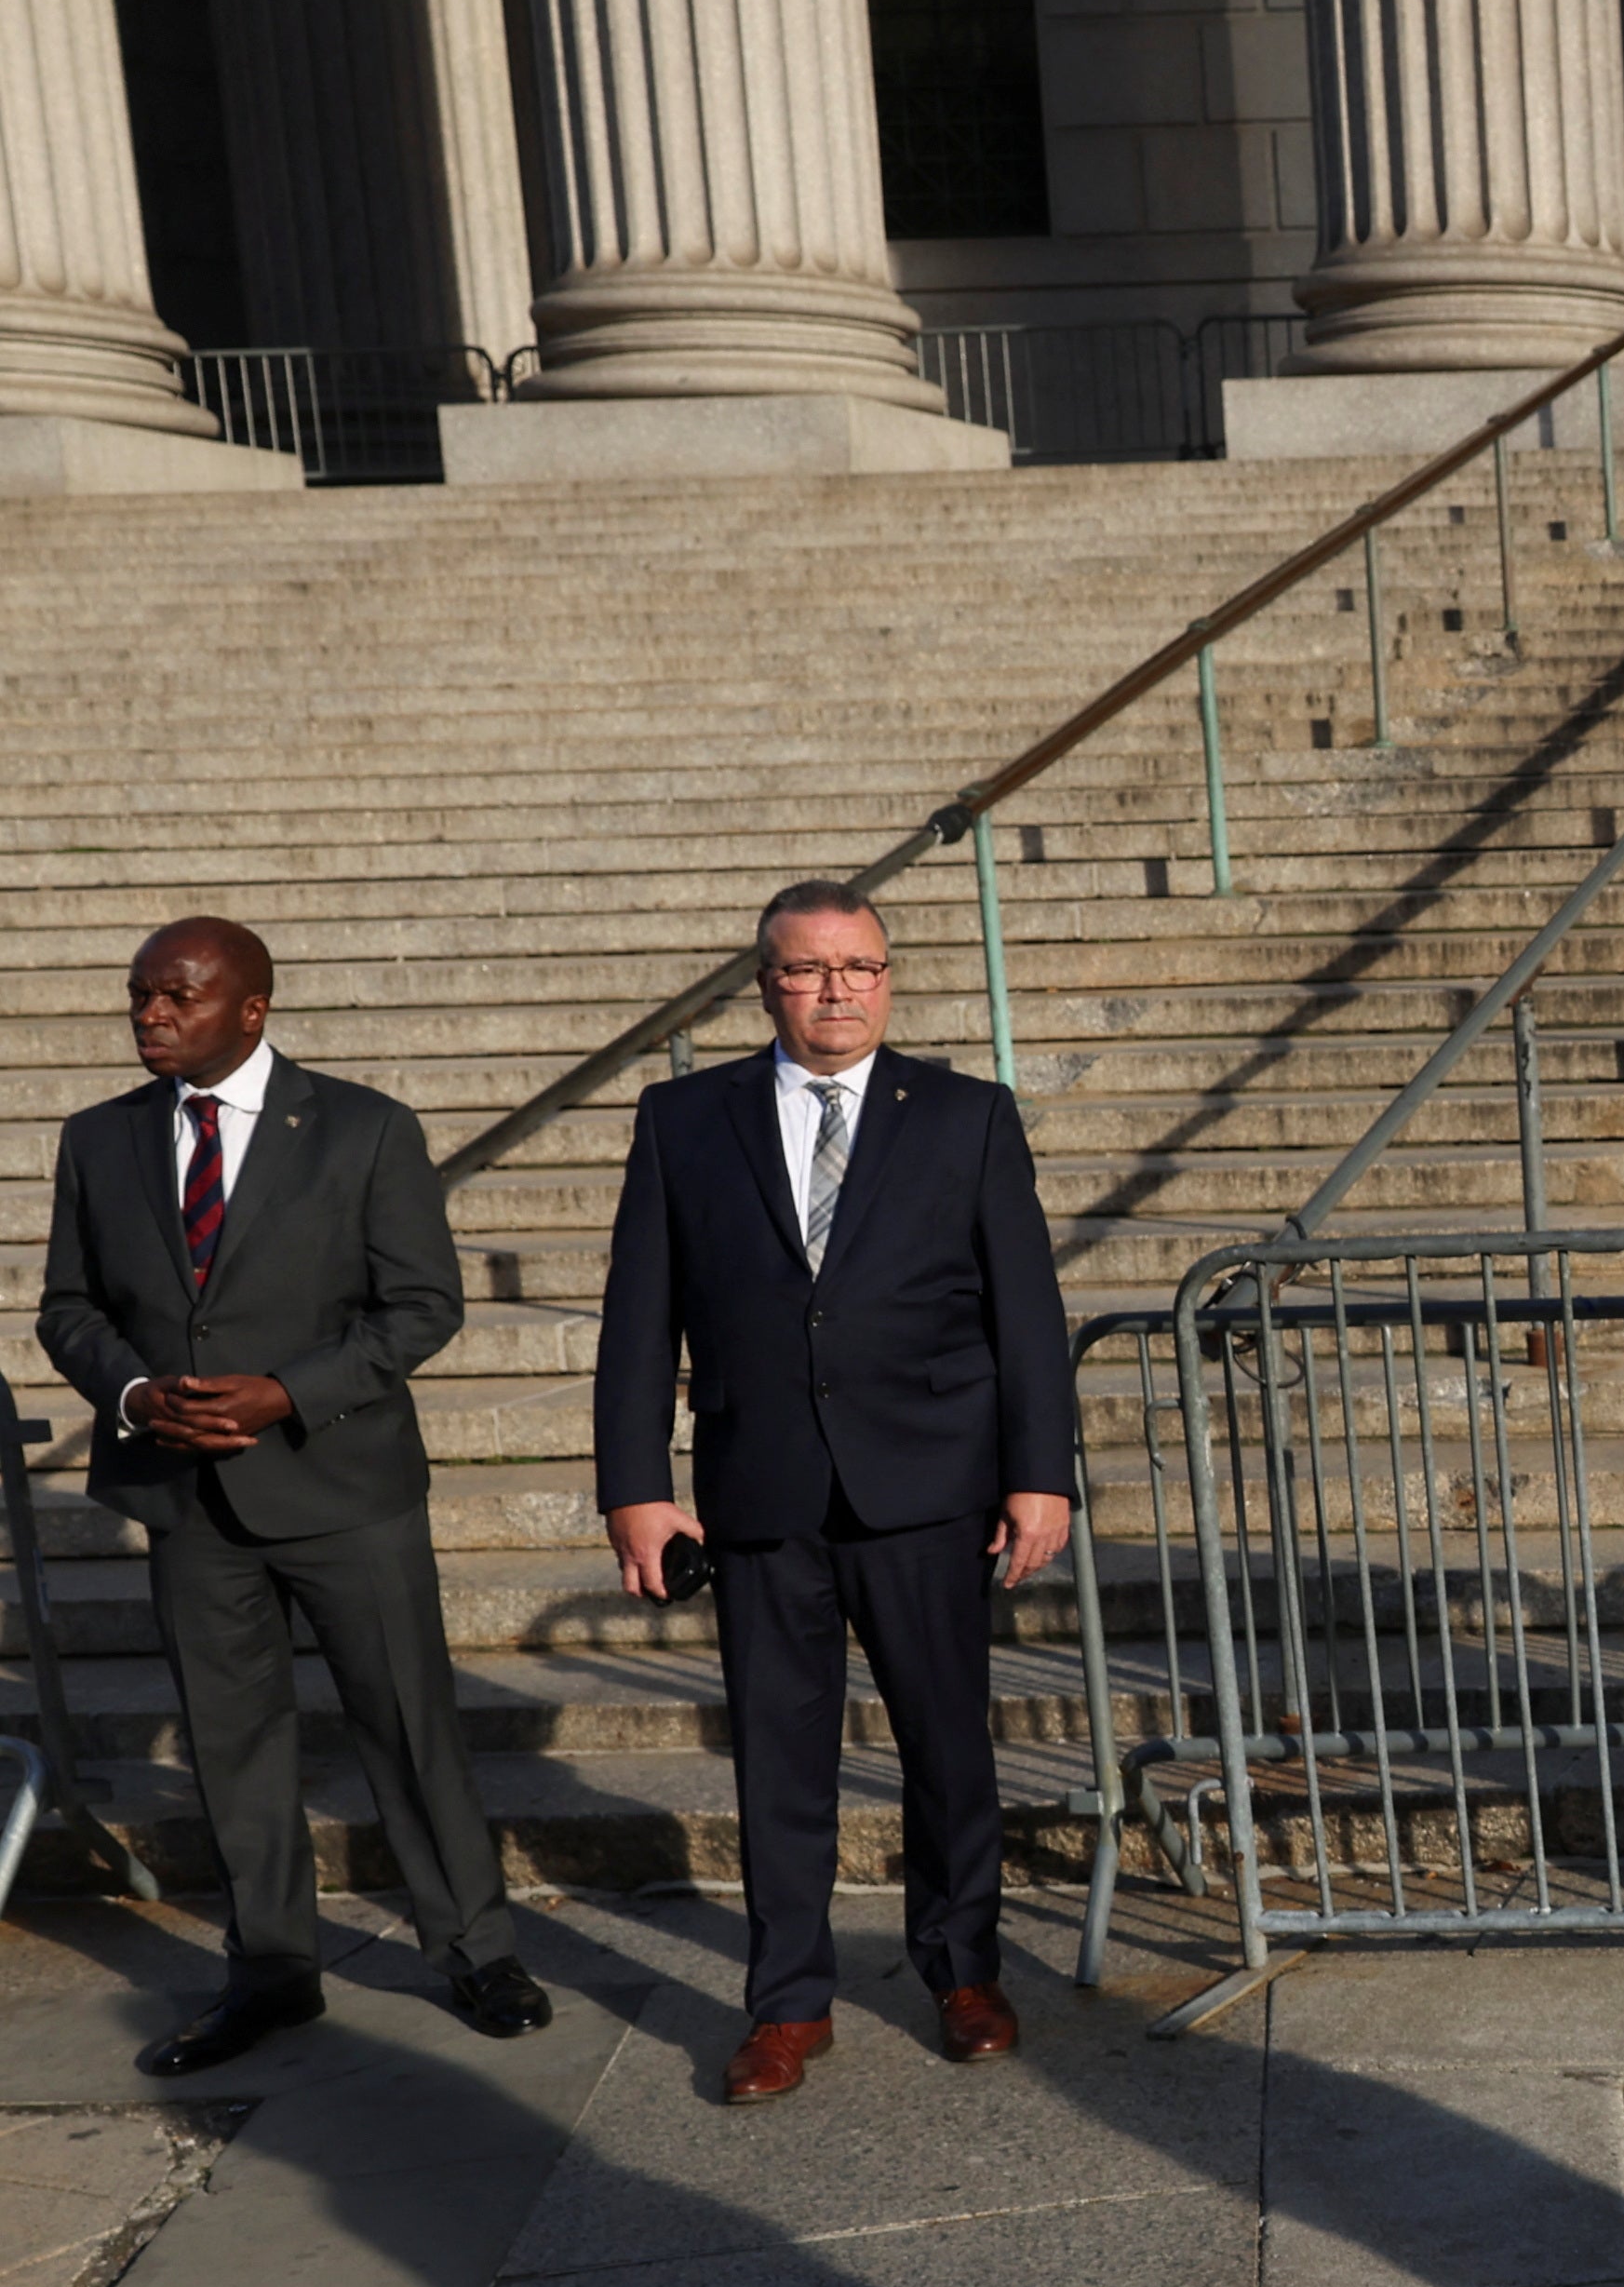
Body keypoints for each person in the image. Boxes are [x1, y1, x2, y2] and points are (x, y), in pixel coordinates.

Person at [593, 881, 1075, 2104]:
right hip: (760, 1494)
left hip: (927, 1485)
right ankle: (787, 2000)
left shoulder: (964, 1116)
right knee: (778, 1758)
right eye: (808, 970)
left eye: (858, 967)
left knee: (947, 1744)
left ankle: (964, 1967)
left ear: (888, 978)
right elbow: (639, 1319)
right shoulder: (683, 1118)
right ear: (766, 983)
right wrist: (635, 1485)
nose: (835, 990)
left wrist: (1038, 1471)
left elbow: (1027, 1309)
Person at [34, 918, 543, 2071]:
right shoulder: (100, 1138)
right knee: (230, 1743)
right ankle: (271, 1968)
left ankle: (474, 1947)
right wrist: (133, 1396)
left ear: (251, 1008)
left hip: (343, 1486)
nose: (150, 1014)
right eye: (139, 996)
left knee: (407, 1724)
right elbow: (68, 1308)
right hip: (184, 1498)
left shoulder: (363, 1129)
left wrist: (285, 1392)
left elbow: (422, 1305)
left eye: (178, 995)